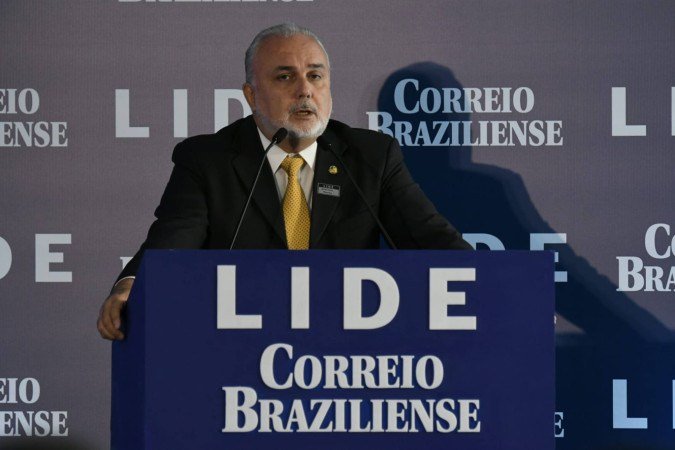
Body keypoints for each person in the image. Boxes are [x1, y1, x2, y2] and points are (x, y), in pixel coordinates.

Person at [97, 23, 472, 340]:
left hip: (347, 348)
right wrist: (131, 286)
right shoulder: (207, 161)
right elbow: (172, 244)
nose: (304, 90)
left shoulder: (370, 156)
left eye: (315, 76)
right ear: (251, 95)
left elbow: (434, 241)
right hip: (240, 344)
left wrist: (490, 283)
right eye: (285, 77)